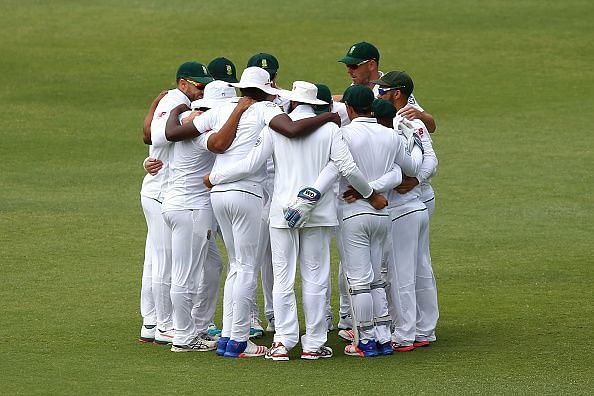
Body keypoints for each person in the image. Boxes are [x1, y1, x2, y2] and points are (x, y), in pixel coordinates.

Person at [165, 67, 342, 358]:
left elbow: (173, 133)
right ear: (265, 90)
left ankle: (228, 337)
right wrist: (328, 117)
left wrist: (177, 109)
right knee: (246, 267)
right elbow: (293, 129)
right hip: (245, 193)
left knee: (237, 267)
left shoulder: (221, 109)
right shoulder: (266, 109)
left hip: (217, 195)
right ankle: (237, 340)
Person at [204, 81, 388, 360]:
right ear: (316, 105)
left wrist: (215, 177)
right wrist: (371, 194)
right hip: (318, 213)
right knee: (315, 277)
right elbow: (346, 167)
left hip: (282, 212)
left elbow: (252, 164)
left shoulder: (276, 129)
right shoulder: (329, 129)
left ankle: (282, 342)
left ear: (291, 104)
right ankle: (313, 344)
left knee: (282, 278)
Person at [328, 85, 423, 357]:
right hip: (382, 213)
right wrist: (417, 141)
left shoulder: (343, 134)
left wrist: (365, 192)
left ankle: (366, 340)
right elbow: (405, 170)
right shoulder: (391, 136)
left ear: (348, 108)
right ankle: (382, 336)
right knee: (377, 280)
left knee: (359, 281)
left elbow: (340, 170)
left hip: (353, 212)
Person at [138, 61, 213, 345]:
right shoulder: (176, 101)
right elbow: (157, 135)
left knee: (157, 260)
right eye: (198, 85)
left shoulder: (175, 99)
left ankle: (153, 322)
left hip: (160, 191)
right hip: (162, 194)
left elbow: (150, 138)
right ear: (183, 83)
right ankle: (164, 325)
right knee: (165, 262)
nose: (202, 89)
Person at [372, 70, 439, 350]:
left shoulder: (401, 123)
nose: (378, 95)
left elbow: (405, 166)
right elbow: (432, 159)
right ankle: (425, 329)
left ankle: (405, 333)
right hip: (420, 204)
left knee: (401, 270)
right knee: (421, 266)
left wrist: (409, 180)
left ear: (396, 93)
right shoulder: (414, 120)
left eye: (382, 91)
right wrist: (417, 180)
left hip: (404, 207)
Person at [337, 41, 437, 133]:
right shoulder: (354, 88)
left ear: (371, 65)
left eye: (354, 66)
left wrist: (421, 116)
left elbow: (431, 127)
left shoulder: (391, 88)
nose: (349, 71)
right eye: (347, 66)